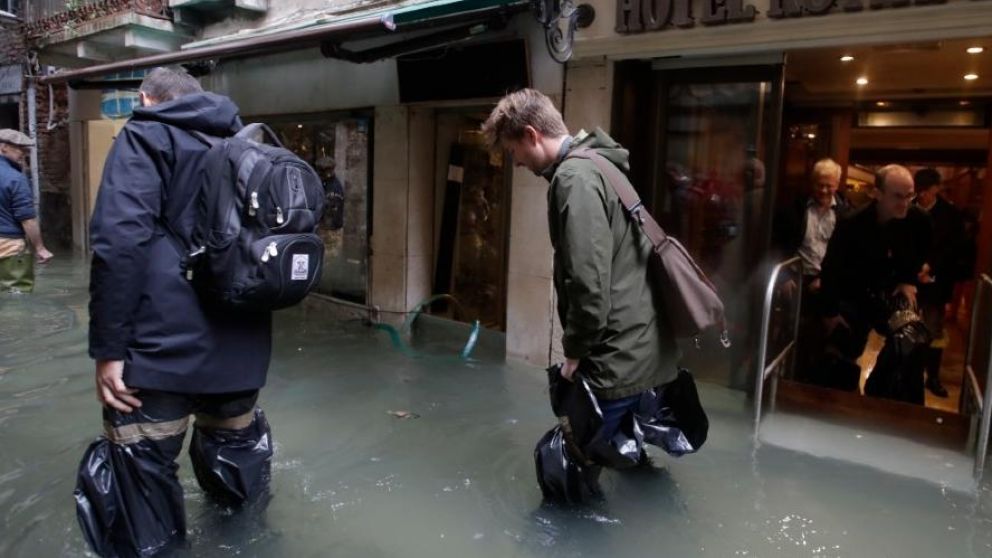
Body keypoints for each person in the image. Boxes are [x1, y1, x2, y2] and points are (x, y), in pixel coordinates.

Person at [75, 67, 273, 556]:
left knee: (143, 492)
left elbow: (120, 245)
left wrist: (108, 349)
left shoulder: (145, 134)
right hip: (242, 345)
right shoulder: (249, 143)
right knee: (239, 497)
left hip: (160, 349)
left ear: (146, 99)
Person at [481, 88, 680, 454]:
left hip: (616, 362)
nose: (517, 163)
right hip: (647, 354)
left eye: (513, 151)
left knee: (576, 467)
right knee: (631, 461)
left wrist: (574, 354)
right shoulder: (600, 163)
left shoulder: (574, 179)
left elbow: (588, 284)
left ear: (531, 135)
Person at [818, 164, 932, 395]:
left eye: (909, 196)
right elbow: (830, 268)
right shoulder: (851, 222)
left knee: (911, 337)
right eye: (898, 196)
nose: (905, 203)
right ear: (876, 193)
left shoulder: (919, 219)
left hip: (892, 290)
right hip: (853, 292)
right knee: (840, 347)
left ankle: (880, 396)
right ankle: (842, 401)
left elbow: (924, 252)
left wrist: (909, 279)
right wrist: (830, 313)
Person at [772, 158, 851, 383]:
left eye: (829, 185)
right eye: (819, 184)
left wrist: (826, 279)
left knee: (826, 341)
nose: (824, 190)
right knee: (796, 338)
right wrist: (783, 277)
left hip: (830, 285)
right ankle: (791, 383)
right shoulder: (794, 208)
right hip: (798, 282)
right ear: (812, 183)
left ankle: (817, 387)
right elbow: (776, 244)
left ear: (838, 184)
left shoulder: (846, 213)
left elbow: (848, 254)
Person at [914, 168, 965, 398]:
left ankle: (932, 376)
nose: (922, 195)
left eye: (927, 190)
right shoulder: (909, 208)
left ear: (936, 189)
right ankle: (908, 372)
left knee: (933, 331)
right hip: (910, 280)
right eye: (920, 190)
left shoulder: (950, 214)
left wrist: (931, 267)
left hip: (936, 282)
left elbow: (953, 249)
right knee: (906, 327)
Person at [0, 128, 53, 292]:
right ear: (3, 147)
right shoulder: (15, 178)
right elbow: (27, 219)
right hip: (8, 245)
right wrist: (40, 248)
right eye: (19, 148)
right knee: (16, 295)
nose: (23, 153)